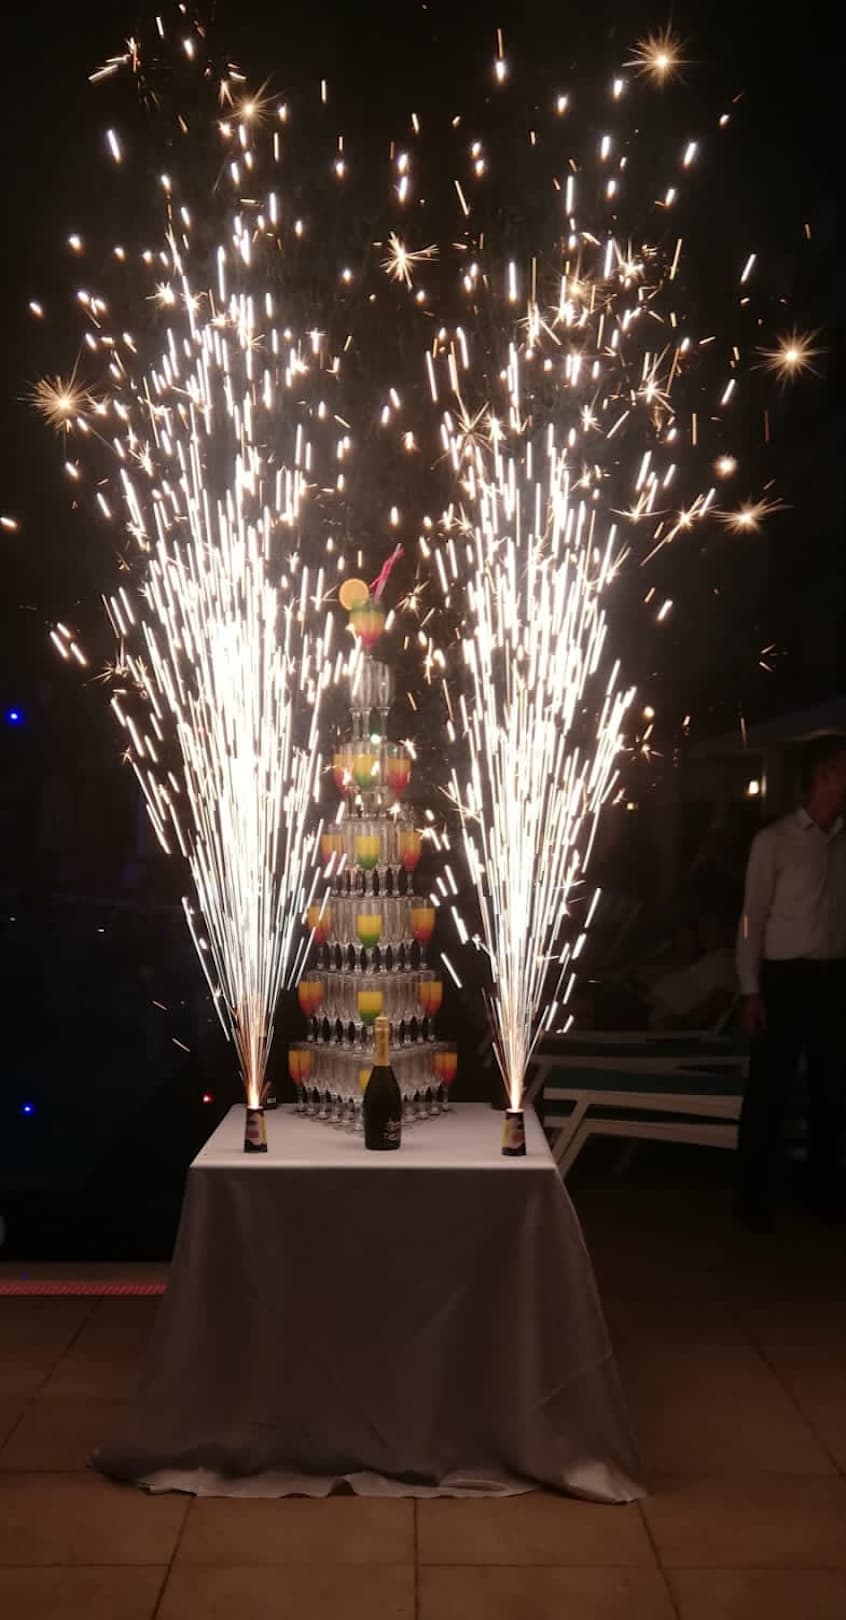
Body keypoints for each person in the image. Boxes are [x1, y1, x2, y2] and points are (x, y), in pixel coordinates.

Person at [735, 734, 846, 1230]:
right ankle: (752, 1197)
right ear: (822, 777)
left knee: (831, 1089)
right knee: (770, 1089)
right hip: (785, 976)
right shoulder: (775, 841)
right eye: (842, 770)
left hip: (833, 975)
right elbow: (751, 918)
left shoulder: (841, 841)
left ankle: (819, 1191)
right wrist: (750, 988)